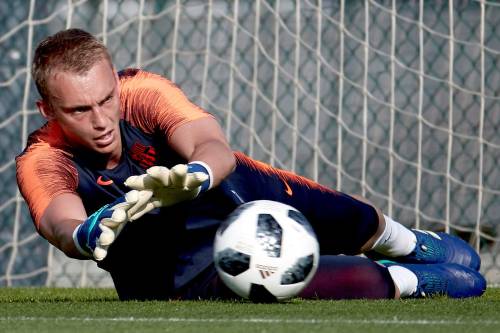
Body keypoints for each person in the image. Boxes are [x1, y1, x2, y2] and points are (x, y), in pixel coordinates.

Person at [16, 28, 486, 301]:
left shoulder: (142, 93)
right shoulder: (43, 158)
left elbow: (211, 144)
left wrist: (196, 175)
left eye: (105, 100)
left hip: (233, 198)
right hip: (176, 276)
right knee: (298, 284)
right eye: (80, 111)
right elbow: (61, 220)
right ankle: (409, 281)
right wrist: (85, 233)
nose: (101, 120)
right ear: (48, 111)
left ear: (116, 87)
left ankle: (402, 241)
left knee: (248, 177)